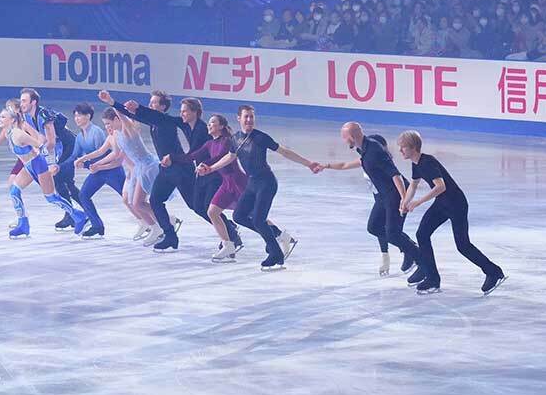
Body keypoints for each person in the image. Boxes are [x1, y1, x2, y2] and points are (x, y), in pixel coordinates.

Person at [204, 105, 319, 269]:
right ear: (239, 119)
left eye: (251, 117)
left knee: (258, 219)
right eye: (246, 117)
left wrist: (308, 163)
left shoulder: (261, 137)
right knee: (239, 216)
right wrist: (211, 168)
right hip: (252, 183)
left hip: (266, 182)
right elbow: (230, 156)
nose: (249, 120)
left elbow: (284, 152)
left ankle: (275, 254)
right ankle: (278, 238)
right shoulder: (235, 139)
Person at [397, 130, 506, 296]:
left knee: (463, 245)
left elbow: (441, 186)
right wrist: (404, 202)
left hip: (456, 203)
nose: (400, 150)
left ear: (413, 148)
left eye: (402, 147)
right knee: (422, 234)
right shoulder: (416, 163)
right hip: (442, 203)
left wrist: (418, 202)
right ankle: (432, 278)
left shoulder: (427, 162)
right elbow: (413, 184)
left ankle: (494, 272)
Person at [319, 122, 424, 284]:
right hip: (383, 196)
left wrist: (404, 199)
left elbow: (395, 175)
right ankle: (409, 248)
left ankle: (422, 261)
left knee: (393, 233)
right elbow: (345, 165)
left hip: (395, 195)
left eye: (345, 138)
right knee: (374, 227)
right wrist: (325, 165)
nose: (344, 141)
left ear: (352, 137)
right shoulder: (364, 150)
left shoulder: (374, 150)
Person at [107, 90, 205, 253]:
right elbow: (140, 115)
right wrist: (112, 103)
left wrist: (116, 103)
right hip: (166, 168)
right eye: (150, 102)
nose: (151, 104)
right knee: (155, 200)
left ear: (162, 107)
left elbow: (142, 114)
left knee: (195, 205)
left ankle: (227, 227)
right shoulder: (155, 121)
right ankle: (170, 236)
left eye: (154, 103)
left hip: (180, 169)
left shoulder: (164, 121)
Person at [0, 106, 87, 238]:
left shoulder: (18, 134)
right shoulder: (7, 132)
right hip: (28, 166)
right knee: (14, 192)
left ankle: (79, 216)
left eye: (3, 117)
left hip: (39, 165)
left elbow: (41, 145)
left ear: (12, 120)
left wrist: (51, 164)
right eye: (0, 116)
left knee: (51, 198)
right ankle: (23, 225)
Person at [20, 88, 82, 231]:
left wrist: (45, 158)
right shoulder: (27, 117)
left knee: (64, 181)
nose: (21, 103)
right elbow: (38, 138)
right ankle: (73, 214)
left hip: (69, 146)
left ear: (33, 102)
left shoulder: (44, 115)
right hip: (58, 148)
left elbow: (51, 141)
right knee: (61, 182)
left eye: (24, 100)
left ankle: (82, 214)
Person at [188, 114, 249, 262]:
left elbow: (222, 157)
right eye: (209, 123)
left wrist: (206, 166)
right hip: (226, 183)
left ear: (221, 126)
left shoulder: (228, 141)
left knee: (254, 216)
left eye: (212, 123)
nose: (209, 125)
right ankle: (228, 245)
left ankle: (281, 236)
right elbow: (193, 155)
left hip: (238, 182)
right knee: (212, 212)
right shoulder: (210, 143)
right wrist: (172, 159)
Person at [68, 104, 122, 239]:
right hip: (97, 171)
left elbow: (101, 155)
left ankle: (156, 221)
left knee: (130, 199)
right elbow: (75, 156)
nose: (76, 118)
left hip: (112, 170)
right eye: (75, 115)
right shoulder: (80, 137)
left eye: (79, 115)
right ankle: (97, 226)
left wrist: (86, 163)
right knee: (83, 195)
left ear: (88, 116)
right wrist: (58, 166)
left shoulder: (96, 131)